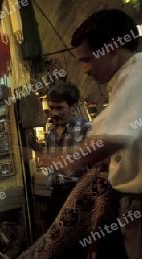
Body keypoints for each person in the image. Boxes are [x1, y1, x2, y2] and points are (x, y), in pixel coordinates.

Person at [62, 9, 142, 259]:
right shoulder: (133, 80)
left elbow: (114, 137)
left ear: (113, 47)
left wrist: (64, 160)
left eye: (87, 59)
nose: (84, 69)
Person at [42, 82, 92, 225]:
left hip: (79, 196)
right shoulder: (50, 134)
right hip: (56, 196)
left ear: (73, 106)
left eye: (60, 108)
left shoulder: (87, 129)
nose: (54, 113)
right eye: (51, 108)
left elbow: (96, 168)